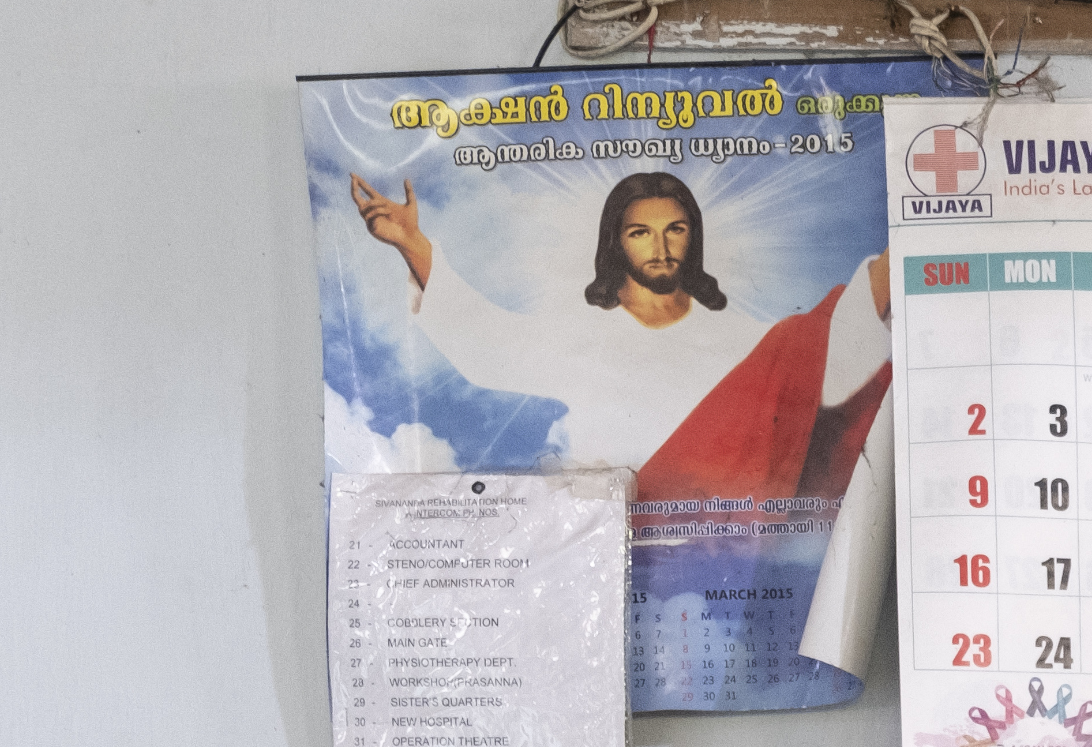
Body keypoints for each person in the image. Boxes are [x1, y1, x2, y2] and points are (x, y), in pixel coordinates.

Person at [347, 167, 893, 500]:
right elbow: (487, 345)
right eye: (641, 232)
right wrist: (413, 244)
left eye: (675, 229)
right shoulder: (581, 335)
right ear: (617, 242)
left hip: (719, 533)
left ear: (692, 238)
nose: (661, 247)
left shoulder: (747, 341)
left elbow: (821, 364)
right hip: (616, 534)